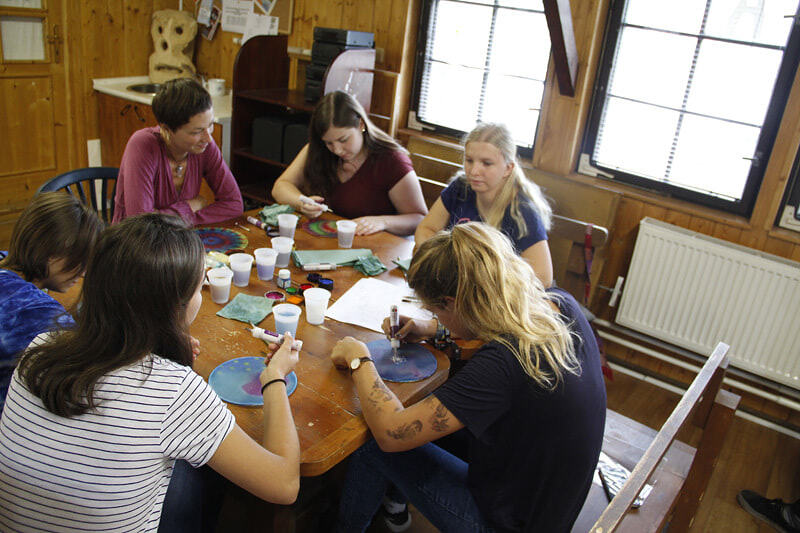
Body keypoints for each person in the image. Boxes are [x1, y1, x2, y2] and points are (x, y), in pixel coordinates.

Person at [0, 214, 300, 532]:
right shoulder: (175, 391)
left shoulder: (39, 347)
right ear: (176, 305)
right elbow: (284, 485)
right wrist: (274, 377)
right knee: (208, 470)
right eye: (199, 287)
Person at [330, 222, 606, 532]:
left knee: (370, 444)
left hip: (512, 524)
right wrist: (435, 329)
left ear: (452, 302)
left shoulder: (504, 361)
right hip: (545, 498)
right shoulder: (557, 303)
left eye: (436, 312)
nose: (437, 319)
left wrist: (359, 358)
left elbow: (391, 433)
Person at [414, 122, 554, 286]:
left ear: (508, 168)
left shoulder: (522, 211)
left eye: (486, 163)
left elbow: (543, 277)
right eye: (469, 160)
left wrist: (478, 275)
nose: (474, 171)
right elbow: (425, 229)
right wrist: (445, 262)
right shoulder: (461, 187)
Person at [271, 91, 427, 236]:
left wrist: (382, 222)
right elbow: (280, 187)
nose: (337, 150)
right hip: (331, 238)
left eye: (343, 139)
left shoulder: (392, 161)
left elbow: (419, 219)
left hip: (376, 246)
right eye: (329, 143)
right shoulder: (317, 150)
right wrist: (301, 203)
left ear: (361, 125)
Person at [0, 192, 103, 412]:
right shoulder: (34, 312)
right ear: (55, 252)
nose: (84, 272)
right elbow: (89, 370)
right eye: (81, 260)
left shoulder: (5, 262)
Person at [113, 78, 243, 225]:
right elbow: (142, 225)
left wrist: (182, 218)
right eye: (196, 131)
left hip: (179, 236)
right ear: (167, 129)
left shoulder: (205, 145)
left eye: (210, 125)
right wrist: (189, 206)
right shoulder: (142, 145)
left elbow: (234, 204)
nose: (208, 138)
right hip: (134, 239)